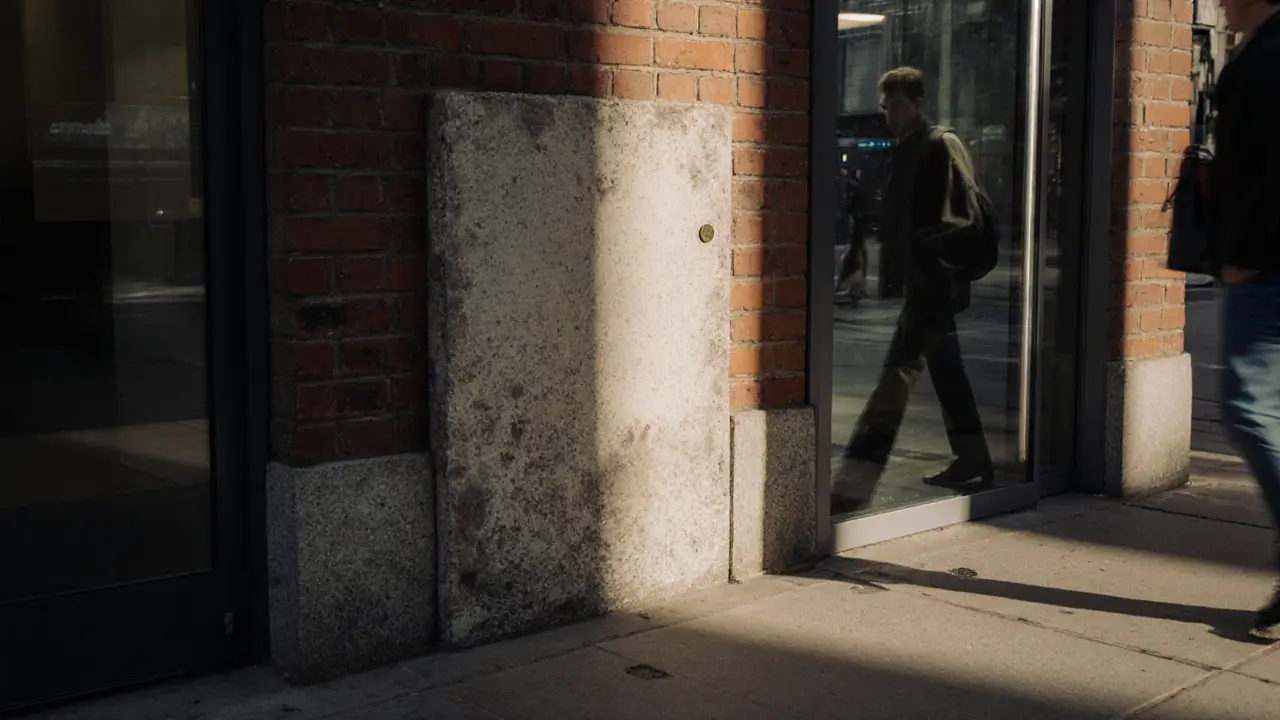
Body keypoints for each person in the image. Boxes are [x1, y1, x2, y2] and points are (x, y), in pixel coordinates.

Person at [834, 67, 993, 512]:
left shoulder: (941, 145)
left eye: (898, 106)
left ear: (919, 103)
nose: (890, 116)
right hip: (922, 282)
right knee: (948, 372)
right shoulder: (906, 147)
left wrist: (926, 257)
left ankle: (853, 485)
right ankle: (974, 459)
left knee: (895, 379)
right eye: (885, 108)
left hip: (933, 286)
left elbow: (960, 221)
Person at [1210, 0, 1280, 641]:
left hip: (1269, 264)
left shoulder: (1272, 53)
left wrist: (1245, 253)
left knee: (1247, 407)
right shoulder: (1260, 46)